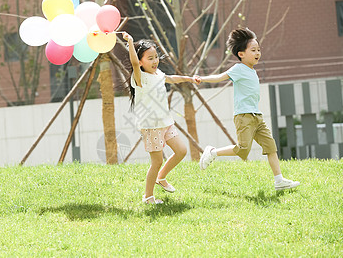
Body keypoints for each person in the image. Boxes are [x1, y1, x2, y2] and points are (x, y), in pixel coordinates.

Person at [196, 27, 300, 191]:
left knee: (271, 146)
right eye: (253, 50)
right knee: (243, 150)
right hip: (243, 116)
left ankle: (279, 181)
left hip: (256, 116)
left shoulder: (252, 71)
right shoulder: (238, 69)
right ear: (241, 54)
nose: (257, 53)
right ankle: (212, 152)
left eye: (258, 50)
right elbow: (219, 77)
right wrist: (201, 78)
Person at [122, 32, 200, 204]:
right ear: (141, 61)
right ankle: (148, 197)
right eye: (150, 58)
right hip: (151, 126)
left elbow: (171, 78)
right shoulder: (139, 78)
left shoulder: (158, 74)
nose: (155, 61)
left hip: (166, 122)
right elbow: (133, 62)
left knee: (181, 151)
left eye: (156, 57)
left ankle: (161, 177)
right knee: (156, 162)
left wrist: (190, 79)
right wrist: (130, 42)